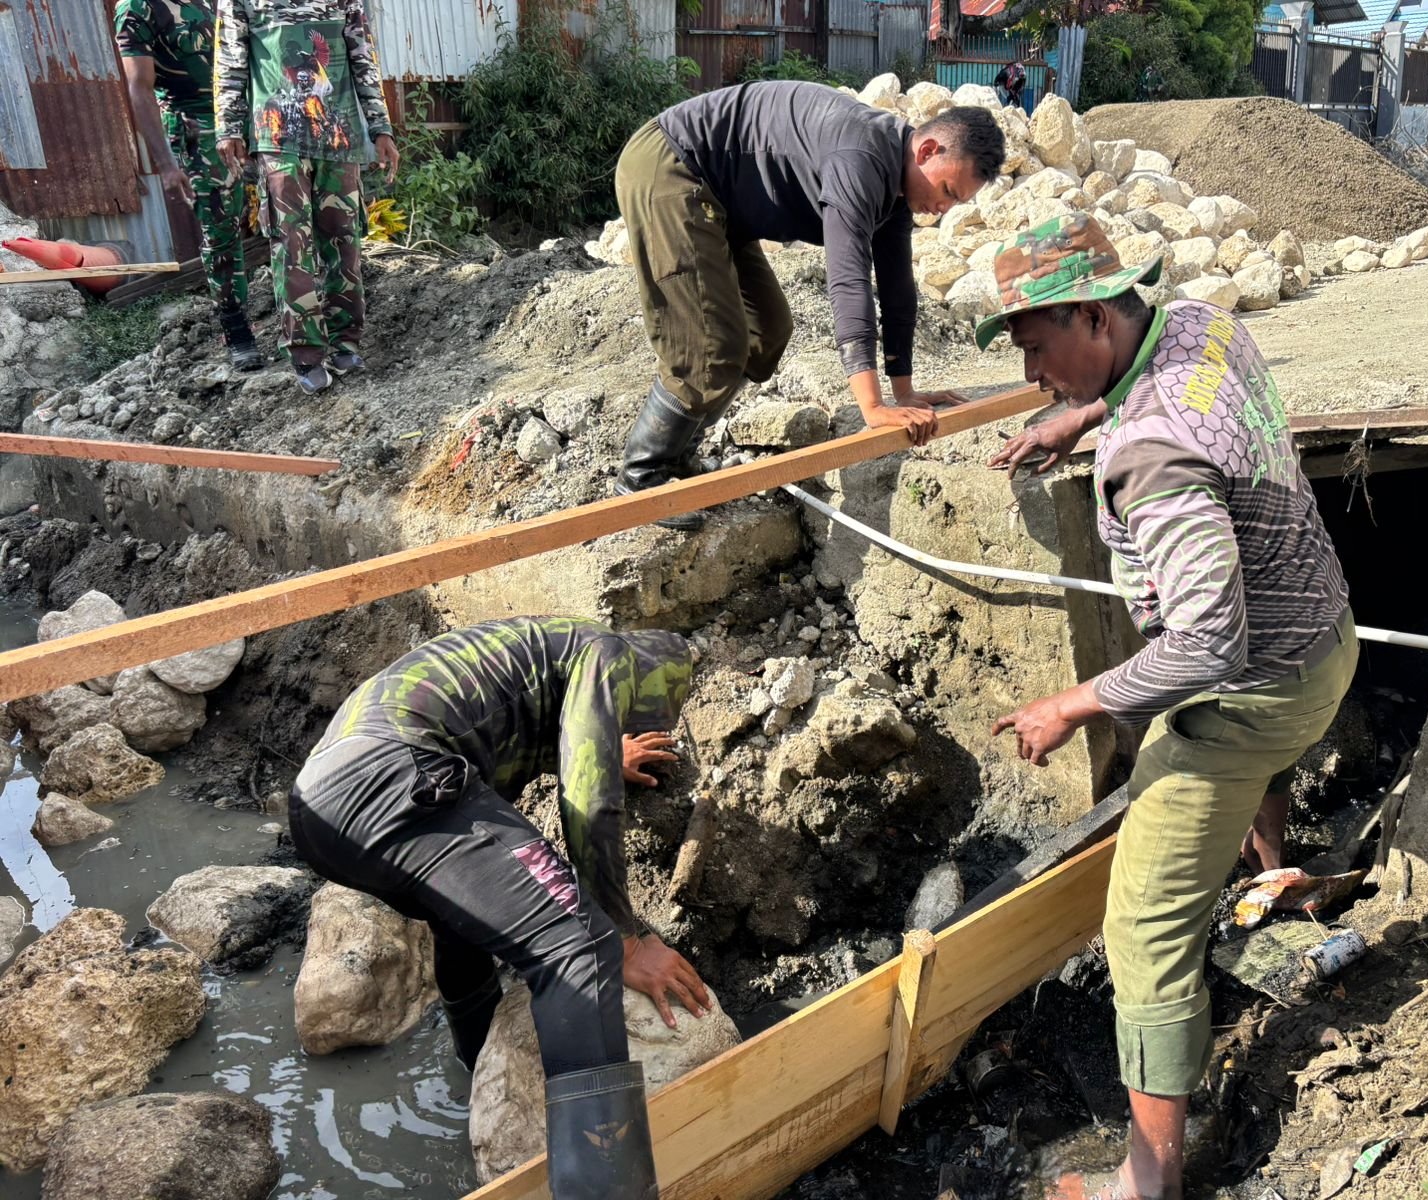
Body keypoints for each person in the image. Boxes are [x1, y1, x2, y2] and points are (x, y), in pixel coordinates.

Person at [982, 215, 1355, 1200]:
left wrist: (1072, 704)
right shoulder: (1197, 325)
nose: (1030, 374)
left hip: (1254, 690)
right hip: (1324, 635)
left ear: (1094, 317)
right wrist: (1080, 415)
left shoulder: (1151, 456)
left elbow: (1207, 646)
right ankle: (1270, 871)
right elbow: (1159, 393)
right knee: (1251, 772)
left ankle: (1147, 1179)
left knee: (1143, 925)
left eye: (1036, 348)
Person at [290, 616, 711, 1199]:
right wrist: (626, 939)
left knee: (462, 920)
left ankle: (476, 1071)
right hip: (395, 778)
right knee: (579, 944)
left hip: (325, 812)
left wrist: (600, 751)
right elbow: (591, 802)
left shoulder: (538, 653)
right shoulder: (606, 652)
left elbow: (519, 768)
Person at [613, 80, 1005, 530]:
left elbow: (897, 289)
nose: (943, 207)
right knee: (709, 346)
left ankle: (679, 458)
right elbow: (848, 280)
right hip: (673, 168)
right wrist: (872, 407)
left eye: (956, 202)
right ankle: (642, 475)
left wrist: (904, 391)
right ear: (927, 150)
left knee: (768, 331)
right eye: (948, 191)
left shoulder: (897, 187)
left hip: (722, 198)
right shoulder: (861, 159)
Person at [214, 0, 401, 396]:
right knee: (291, 246)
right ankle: (306, 354)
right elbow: (230, 59)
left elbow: (361, 54)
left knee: (344, 239)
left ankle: (346, 342)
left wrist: (380, 127)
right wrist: (228, 128)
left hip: (338, 133)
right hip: (278, 137)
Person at [116, 0, 263, 371]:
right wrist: (167, 165)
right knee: (221, 227)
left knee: (280, 211)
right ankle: (237, 329)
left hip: (250, 112)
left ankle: (298, 312)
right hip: (196, 125)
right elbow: (139, 88)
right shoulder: (137, 8)